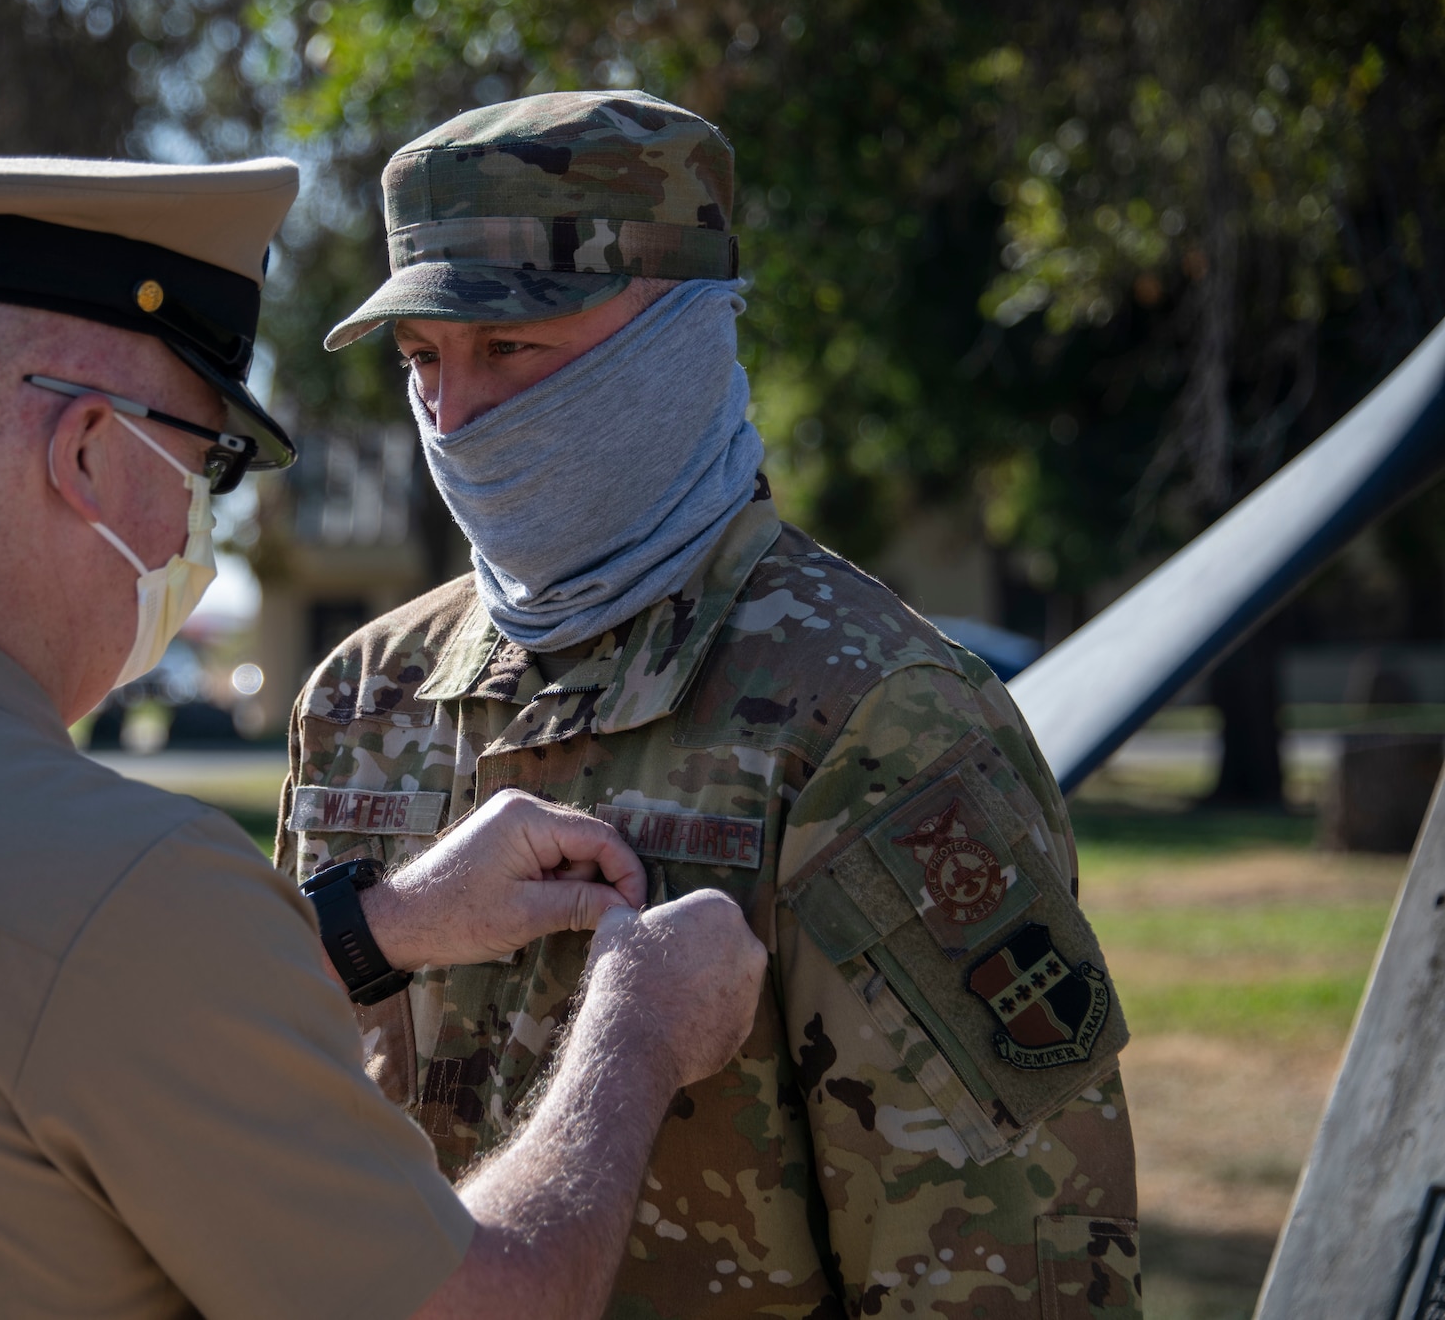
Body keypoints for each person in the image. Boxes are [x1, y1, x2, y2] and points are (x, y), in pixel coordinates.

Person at [0, 154, 769, 1320]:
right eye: (207, 455)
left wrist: (372, 928)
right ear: (83, 450)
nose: (201, 515)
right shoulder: (123, 893)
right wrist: (638, 1030)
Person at [280, 93, 1143, 1318]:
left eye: (510, 347)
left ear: (676, 335)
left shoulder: (872, 719)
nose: (453, 417)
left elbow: (998, 1276)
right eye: (421, 358)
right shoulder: (360, 696)